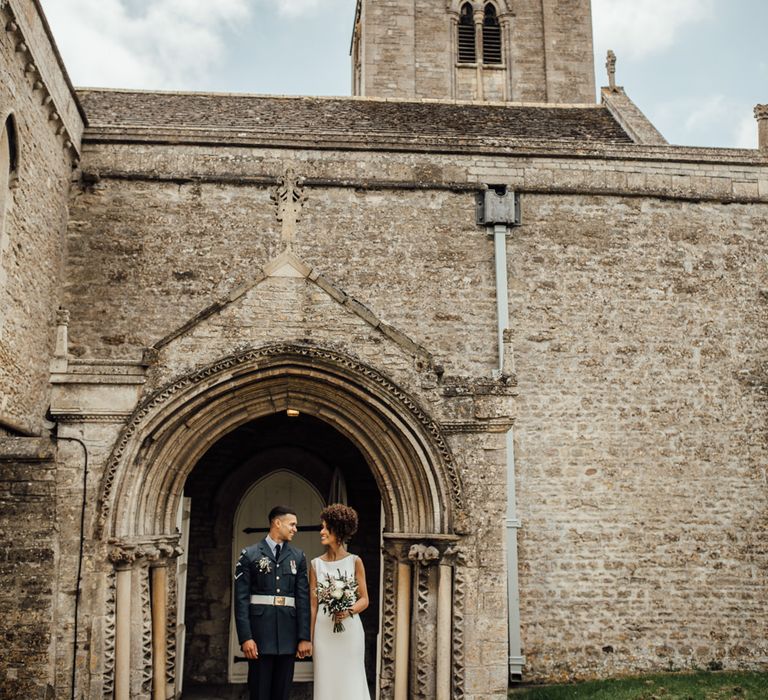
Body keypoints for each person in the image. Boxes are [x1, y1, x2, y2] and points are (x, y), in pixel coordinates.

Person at [234, 505, 313, 700]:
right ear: (278, 523)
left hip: (288, 636)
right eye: (292, 524)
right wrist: (246, 637)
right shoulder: (250, 554)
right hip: (259, 636)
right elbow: (241, 600)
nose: (295, 529)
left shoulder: (298, 557)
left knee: (282, 693)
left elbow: (302, 598)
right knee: (259, 692)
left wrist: (304, 637)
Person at [309, 503, 371, 700]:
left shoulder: (355, 561)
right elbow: (313, 605)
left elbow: (365, 599)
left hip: (349, 631)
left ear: (338, 530)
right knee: (325, 680)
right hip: (323, 631)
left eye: (326, 527)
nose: (322, 531)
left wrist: (349, 610)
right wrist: (309, 639)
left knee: (350, 677)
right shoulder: (315, 565)